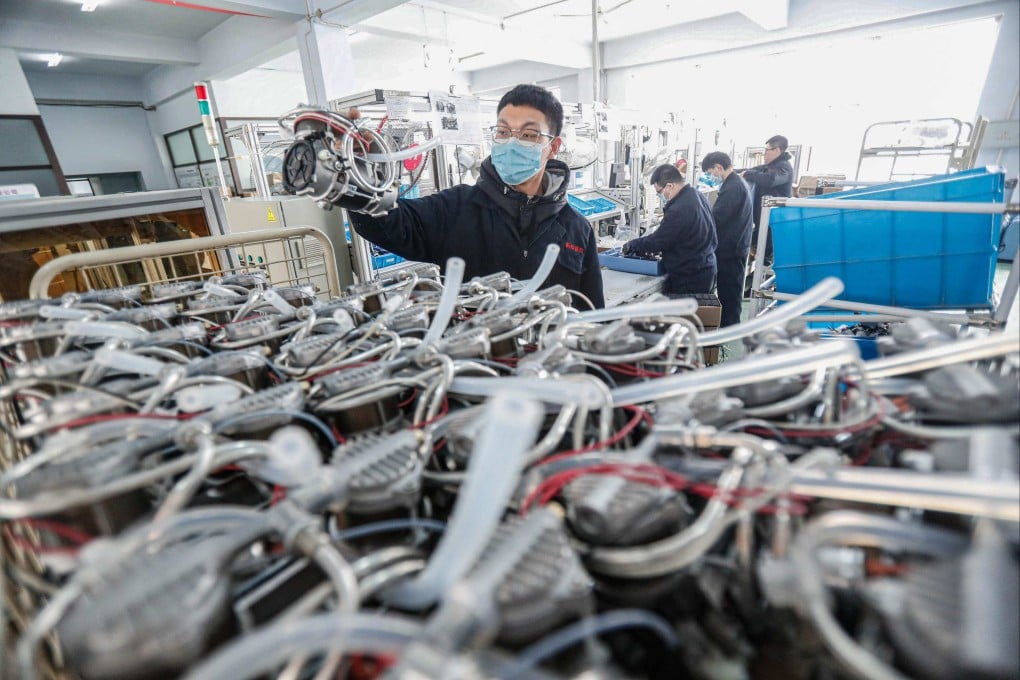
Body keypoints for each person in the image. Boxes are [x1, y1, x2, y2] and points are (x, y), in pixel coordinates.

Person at [346, 84, 605, 308]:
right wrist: (358, 177)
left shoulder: (576, 230)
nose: (512, 143)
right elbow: (388, 224)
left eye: (528, 135)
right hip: (473, 356)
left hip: (547, 360)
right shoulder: (455, 208)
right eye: (503, 132)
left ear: (553, 147)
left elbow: (592, 314)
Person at [622, 164, 717, 296]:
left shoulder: (679, 208)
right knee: (694, 315)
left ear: (670, 186)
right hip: (705, 266)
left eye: (659, 192)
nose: (659, 196)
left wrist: (632, 245)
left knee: (681, 315)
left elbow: (658, 242)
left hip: (690, 276)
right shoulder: (698, 196)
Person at [702, 151, 753, 327]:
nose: (711, 177)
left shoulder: (732, 187)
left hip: (731, 249)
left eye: (711, 173)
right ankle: (730, 324)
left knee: (729, 292)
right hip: (735, 245)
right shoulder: (736, 183)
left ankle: (729, 327)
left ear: (718, 167)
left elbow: (717, 218)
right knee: (731, 290)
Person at [742, 135, 793, 267]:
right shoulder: (770, 166)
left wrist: (747, 175)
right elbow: (750, 170)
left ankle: (761, 278)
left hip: (772, 221)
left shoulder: (784, 168)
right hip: (762, 219)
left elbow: (770, 179)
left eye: (767, 150)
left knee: (765, 257)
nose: (764, 154)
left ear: (777, 150)